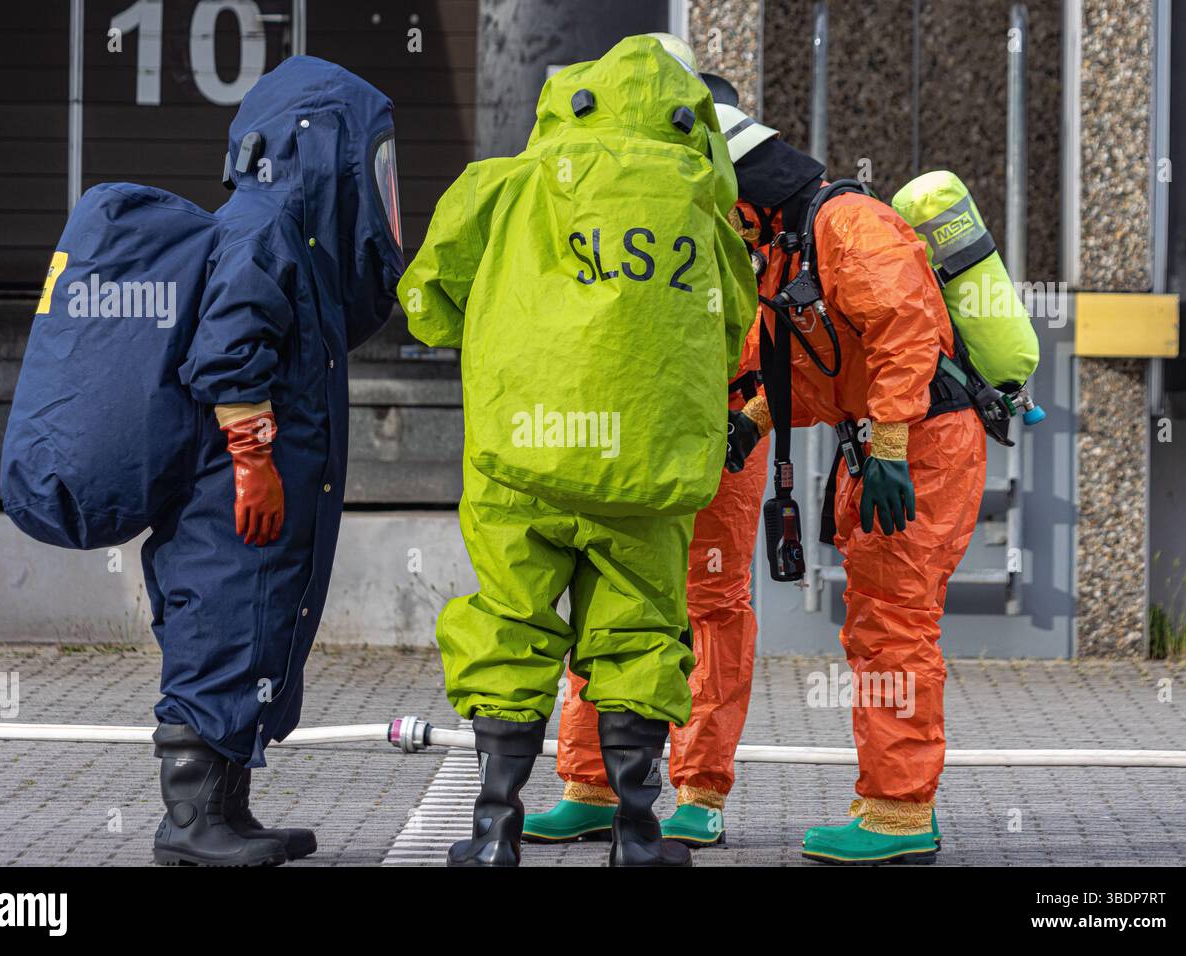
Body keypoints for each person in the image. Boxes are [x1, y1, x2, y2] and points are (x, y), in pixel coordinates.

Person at [399, 34, 755, 867]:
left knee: (510, 625)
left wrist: (497, 338)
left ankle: (493, 833)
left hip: (521, 456)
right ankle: (637, 835)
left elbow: (427, 296)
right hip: (647, 472)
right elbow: (734, 324)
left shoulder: (508, 182)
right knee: (639, 636)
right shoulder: (703, 207)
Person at [143, 58, 404, 865]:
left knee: (253, 632)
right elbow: (229, 348)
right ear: (318, 144)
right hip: (233, 492)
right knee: (223, 626)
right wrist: (253, 457)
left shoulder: (292, 231)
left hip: (264, 489)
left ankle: (228, 812)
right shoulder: (262, 226)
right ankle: (189, 825)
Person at [718, 103, 985, 864]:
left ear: (749, 193)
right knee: (878, 626)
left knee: (894, 627)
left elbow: (905, 331)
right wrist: (756, 419)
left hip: (919, 447)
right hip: (888, 447)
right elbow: (821, 371)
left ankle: (900, 815)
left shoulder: (846, 226)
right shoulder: (794, 247)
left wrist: (893, 448)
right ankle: (888, 801)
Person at [523, 98, 772, 851]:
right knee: (606, 589)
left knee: (710, 604)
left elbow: (776, 338)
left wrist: (750, 419)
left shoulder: (745, 210)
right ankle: (592, 783)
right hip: (632, 423)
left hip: (724, 427)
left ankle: (699, 789)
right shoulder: (627, 193)